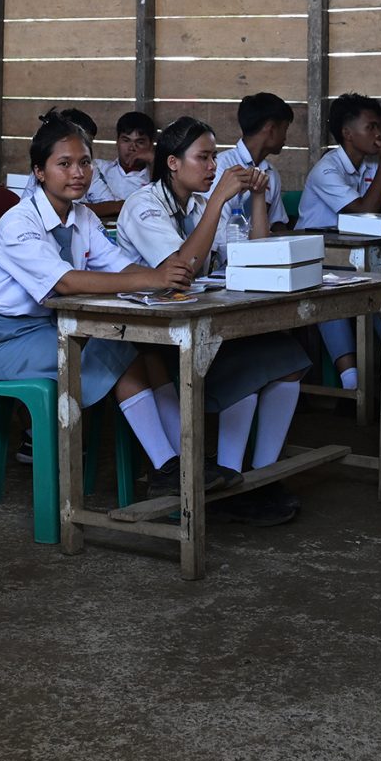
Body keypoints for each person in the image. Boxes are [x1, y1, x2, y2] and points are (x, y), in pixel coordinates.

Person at [0, 116, 229, 502]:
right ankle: (165, 466)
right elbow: (66, 282)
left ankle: (186, 457)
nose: (79, 173)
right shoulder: (18, 222)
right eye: (65, 164)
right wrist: (154, 279)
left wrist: (164, 274)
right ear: (39, 173)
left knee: (144, 351)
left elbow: (120, 267)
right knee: (117, 351)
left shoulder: (83, 216)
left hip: (52, 329)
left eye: (86, 162)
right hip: (5, 340)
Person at [116, 116, 309, 526]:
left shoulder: (201, 206)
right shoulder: (143, 206)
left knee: (288, 362)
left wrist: (257, 199)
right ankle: (229, 485)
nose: (212, 168)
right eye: (202, 158)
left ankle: (256, 478)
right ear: (172, 163)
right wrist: (221, 199)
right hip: (158, 341)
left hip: (204, 326)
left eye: (213, 158)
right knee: (249, 373)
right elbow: (180, 270)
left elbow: (255, 256)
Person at [295, 93, 381, 390]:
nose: (378, 135)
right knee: (331, 287)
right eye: (371, 127)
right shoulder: (327, 170)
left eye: (379, 128)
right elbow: (363, 212)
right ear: (348, 134)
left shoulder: (371, 168)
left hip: (354, 256)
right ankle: (351, 381)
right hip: (314, 256)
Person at [218, 91, 293, 241]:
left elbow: (277, 224)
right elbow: (218, 231)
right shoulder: (222, 166)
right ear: (271, 129)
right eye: (284, 129)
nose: (286, 137)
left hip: (259, 253)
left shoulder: (271, 174)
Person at [57, 107, 137, 221]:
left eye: (89, 142)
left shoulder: (89, 167)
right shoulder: (49, 166)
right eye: (82, 141)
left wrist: (117, 206)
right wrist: (119, 206)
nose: (86, 147)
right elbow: (64, 209)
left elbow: (107, 202)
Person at [113, 110, 158, 194]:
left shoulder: (157, 179)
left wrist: (154, 160)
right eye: (126, 140)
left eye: (140, 142)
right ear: (117, 142)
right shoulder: (99, 170)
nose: (132, 148)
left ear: (151, 145)